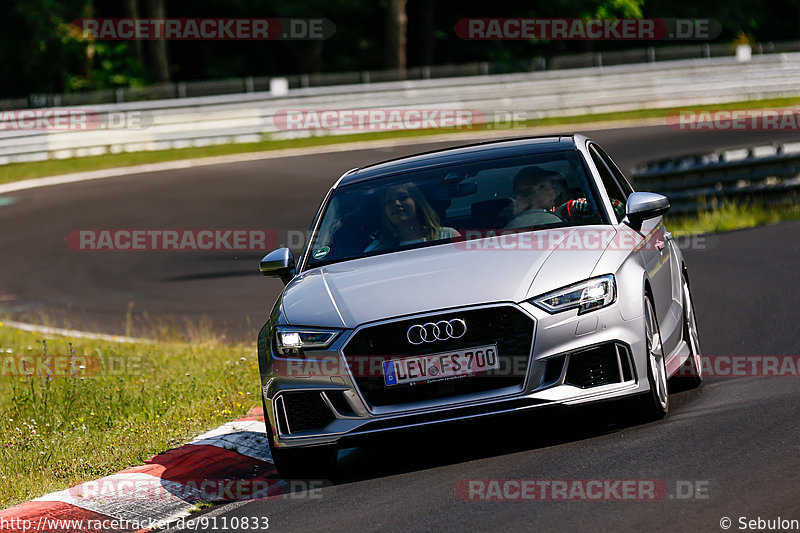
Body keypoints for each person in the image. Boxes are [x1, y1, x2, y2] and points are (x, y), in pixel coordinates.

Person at [509, 165, 625, 223]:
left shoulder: (569, 210)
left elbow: (616, 207)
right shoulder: (505, 220)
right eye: (524, 192)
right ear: (516, 197)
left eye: (539, 188)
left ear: (552, 192)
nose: (532, 196)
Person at [365, 183, 460, 252]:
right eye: (389, 201)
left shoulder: (449, 236)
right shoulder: (375, 250)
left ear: (417, 202)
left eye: (402, 197)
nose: (396, 204)